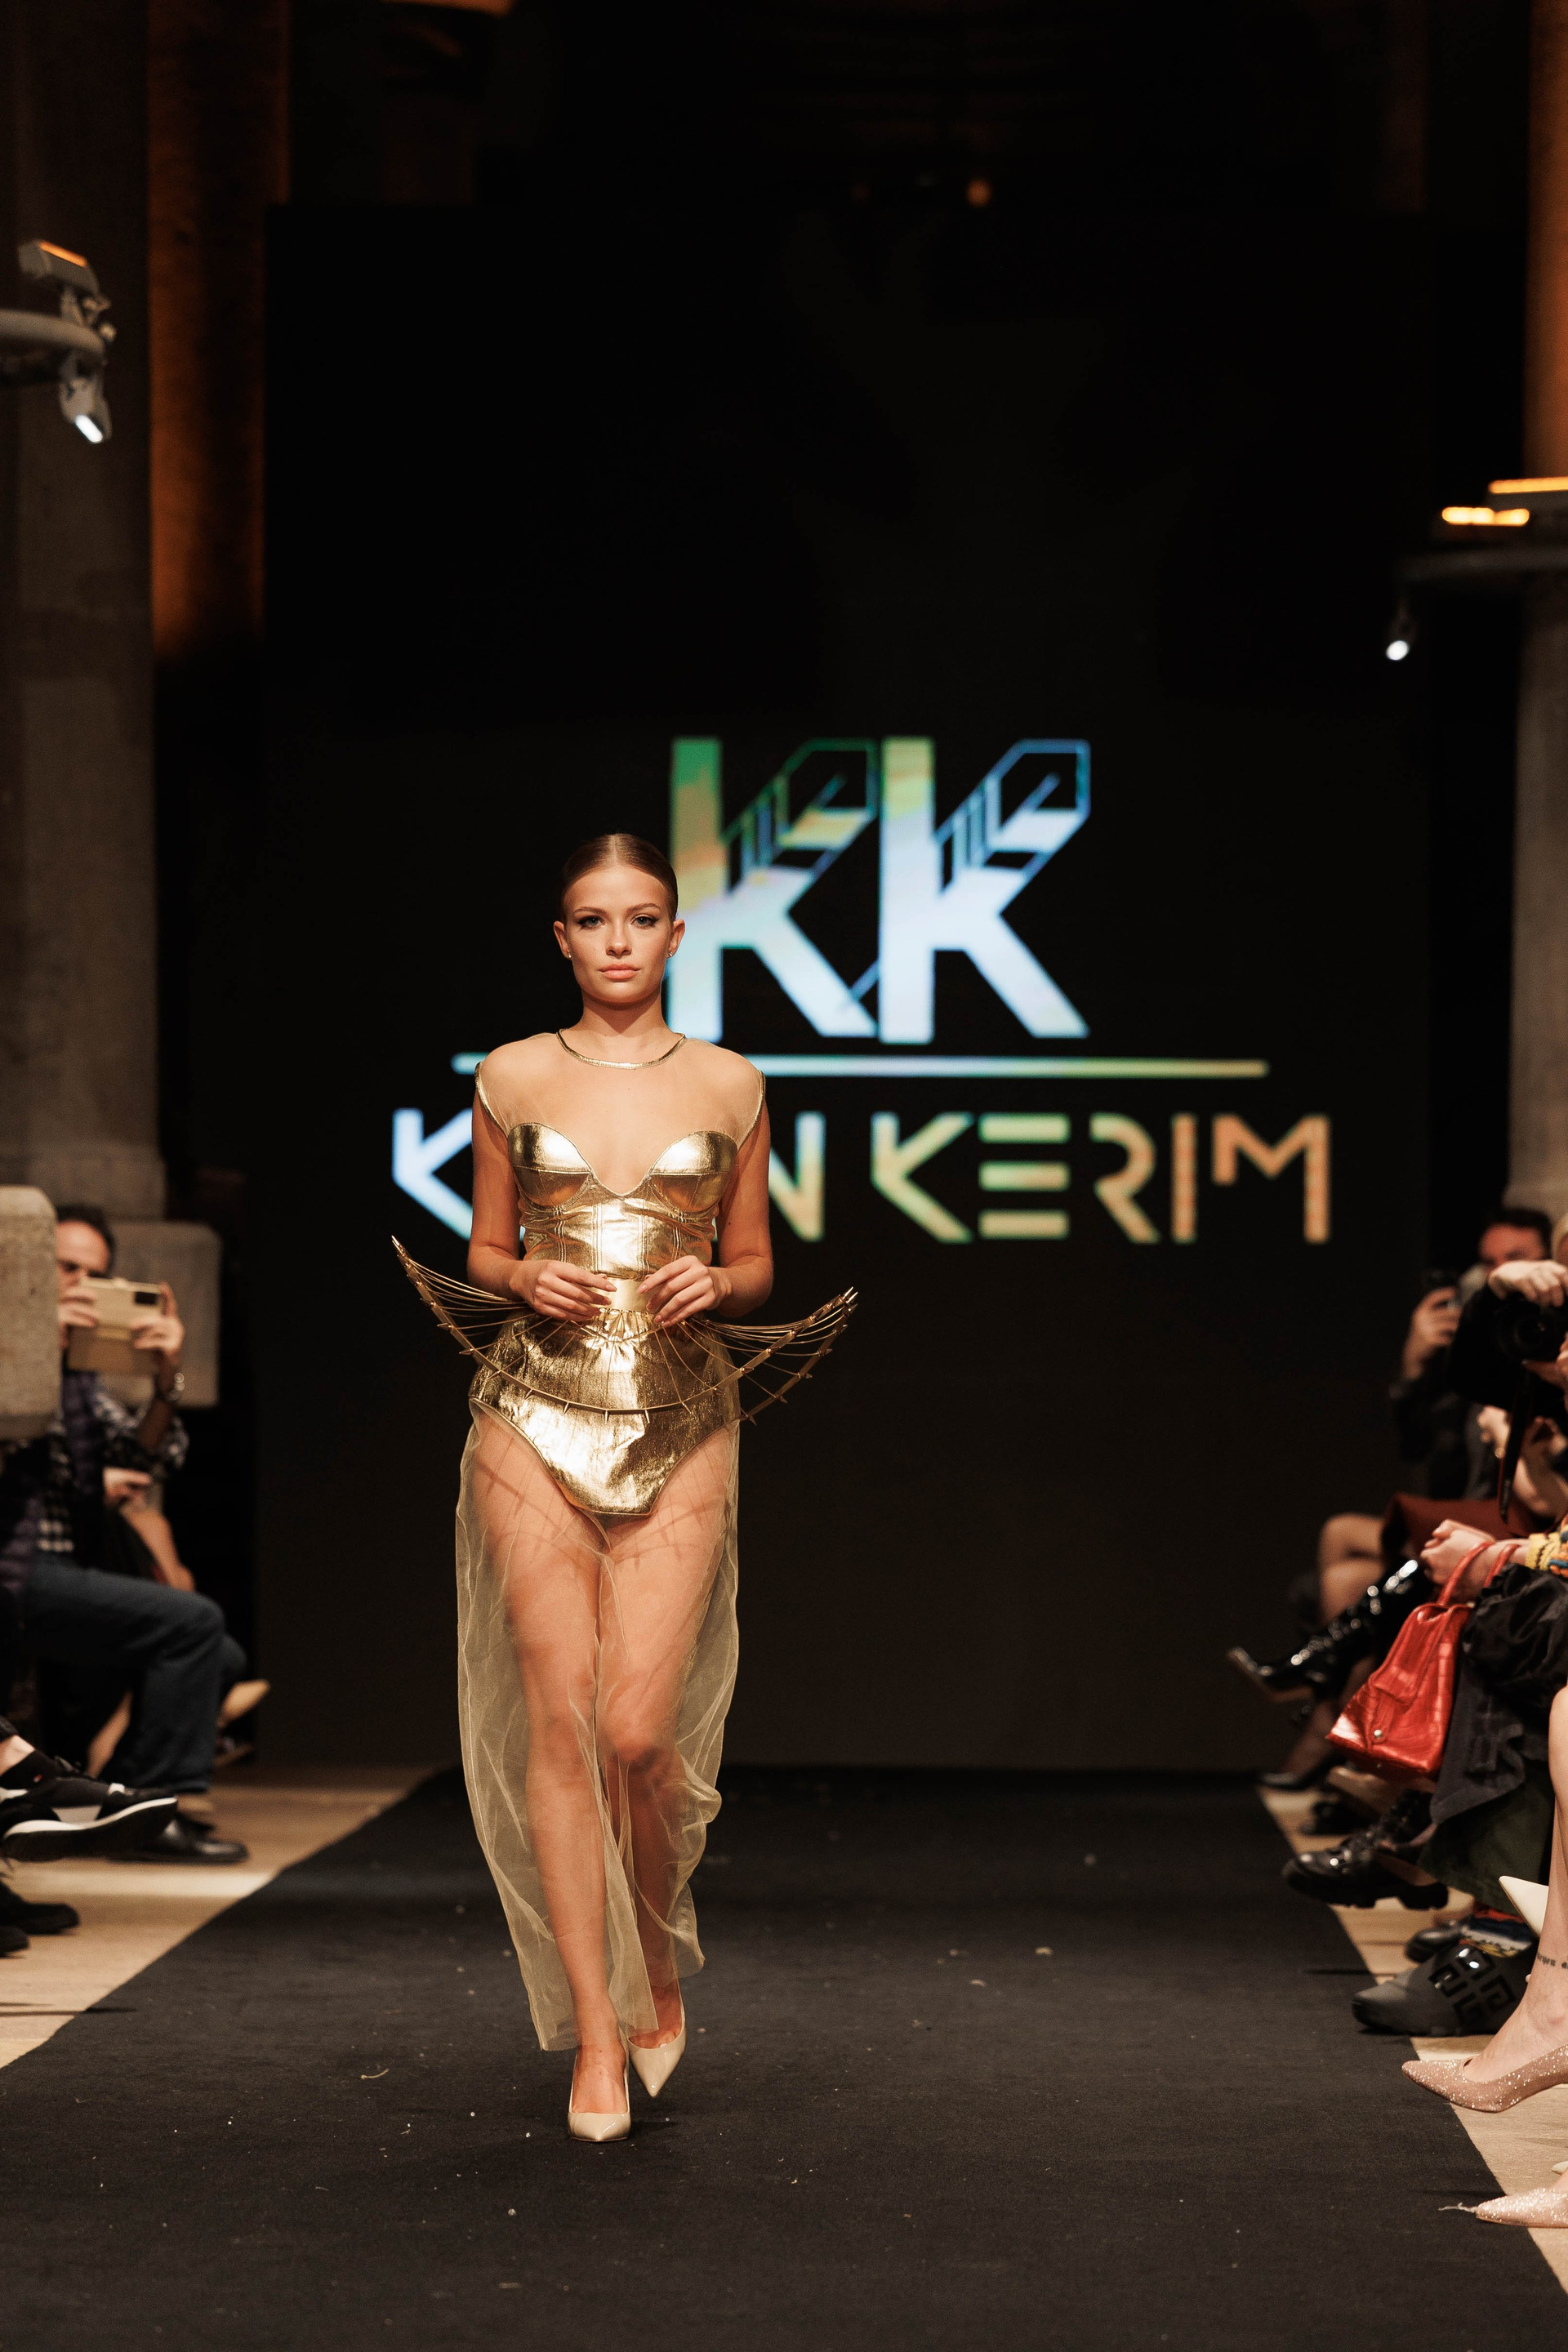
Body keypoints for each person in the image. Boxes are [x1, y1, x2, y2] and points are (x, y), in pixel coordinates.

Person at [399, 833, 851, 2144]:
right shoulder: (509, 1073)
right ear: (562, 938)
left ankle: (652, 1953)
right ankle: (596, 2036)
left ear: (674, 935)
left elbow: (756, 1263)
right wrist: (518, 1276)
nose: (616, 941)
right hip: (531, 1409)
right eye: (593, 920)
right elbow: (486, 1247)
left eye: (641, 918)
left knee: (639, 1733)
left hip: (684, 1409)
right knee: (560, 1720)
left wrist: (721, 1280)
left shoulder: (731, 1082)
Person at [0, 1205, 249, 1863]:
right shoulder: (14, 1350)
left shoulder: (80, 1376)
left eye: (95, 1274)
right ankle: (155, 1812)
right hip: (16, 1566)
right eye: (67, 1267)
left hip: (63, 1570)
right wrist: (34, 1346)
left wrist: (166, 1379)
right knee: (194, 1623)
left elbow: (146, 1455)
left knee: (220, 1652)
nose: (80, 1284)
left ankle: (125, 1803)